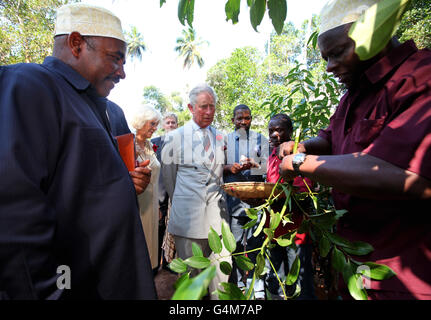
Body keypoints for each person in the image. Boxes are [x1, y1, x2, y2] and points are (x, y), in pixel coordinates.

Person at [0, 3, 156, 299]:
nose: (122, 72)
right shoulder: (29, 85)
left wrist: (128, 184)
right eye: (115, 58)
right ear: (75, 44)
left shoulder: (103, 109)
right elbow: (13, 217)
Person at [278, 0, 431, 300]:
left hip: (404, 281)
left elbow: (405, 175)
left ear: (375, 35)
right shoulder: (354, 94)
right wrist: (304, 145)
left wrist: (299, 162)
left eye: (337, 53)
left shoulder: (420, 77)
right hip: (356, 273)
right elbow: (331, 138)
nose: (330, 66)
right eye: (325, 57)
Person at [161, 84, 231, 299]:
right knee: (194, 283)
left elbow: (218, 174)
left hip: (219, 220)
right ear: (191, 108)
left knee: (222, 278)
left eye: (212, 106)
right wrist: (185, 202)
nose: (209, 112)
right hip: (188, 222)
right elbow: (169, 179)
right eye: (203, 107)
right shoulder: (174, 138)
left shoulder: (221, 137)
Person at [266, 114, 316, 300]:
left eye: (279, 130)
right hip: (275, 229)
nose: (274, 134)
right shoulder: (272, 153)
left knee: (300, 280)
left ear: (290, 132)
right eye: (271, 130)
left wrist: (280, 194)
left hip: (296, 231)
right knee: (277, 278)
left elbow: (305, 191)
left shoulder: (299, 153)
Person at [223, 104, 268, 299]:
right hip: (233, 204)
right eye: (239, 118)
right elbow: (216, 167)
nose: (243, 122)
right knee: (233, 247)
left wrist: (255, 165)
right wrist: (230, 168)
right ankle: (235, 285)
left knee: (255, 245)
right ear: (232, 120)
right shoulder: (224, 141)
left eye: (247, 118)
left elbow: (268, 169)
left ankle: (256, 287)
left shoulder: (261, 139)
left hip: (256, 203)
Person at [131, 105, 162, 275]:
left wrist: (157, 205)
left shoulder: (150, 146)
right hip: (136, 204)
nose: (155, 128)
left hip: (151, 202)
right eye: (152, 124)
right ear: (141, 122)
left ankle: (150, 276)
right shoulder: (128, 144)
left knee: (151, 243)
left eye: (156, 124)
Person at [151, 113, 179, 269]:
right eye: (167, 122)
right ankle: (154, 263)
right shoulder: (154, 143)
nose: (170, 125)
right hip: (159, 194)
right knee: (158, 227)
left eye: (173, 123)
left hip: (176, 194)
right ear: (163, 125)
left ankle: (169, 262)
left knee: (173, 228)